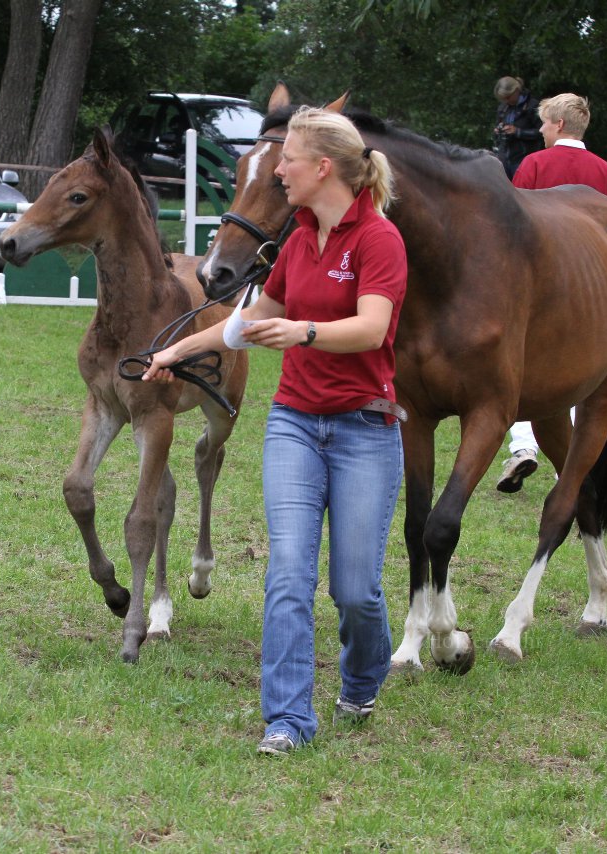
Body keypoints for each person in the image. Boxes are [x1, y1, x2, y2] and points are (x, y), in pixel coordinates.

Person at [142, 107, 407, 757]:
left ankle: (362, 679)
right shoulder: (295, 243)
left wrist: (305, 332)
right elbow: (250, 320)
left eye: (287, 158)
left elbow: (373, 328)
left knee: (354, 589)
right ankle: (287, 719)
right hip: (294, 425)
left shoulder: (378, 240)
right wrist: (177, 350)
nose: (278, 168)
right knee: (288, 573)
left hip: (366, 431)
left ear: (323, 169)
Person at [499, 92, 607, 492]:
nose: (538, 130)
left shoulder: (534, 164)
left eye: (542, 124)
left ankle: (523, 447)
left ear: (557, 125)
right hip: (591, 289)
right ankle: (567, 466)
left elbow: (513, 225)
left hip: (537, 285)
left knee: (524, 368)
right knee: (576, 372)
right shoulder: (605, 172)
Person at [493, 76, 542, 179]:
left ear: (516, 90)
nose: (506, 100)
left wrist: (518, 132)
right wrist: (498, 131)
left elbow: (542, 132)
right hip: (504, 159)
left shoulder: (532, 106)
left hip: (524, 159)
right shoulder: (503, 108)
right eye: (503, 99)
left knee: (522, 192)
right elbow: (497, 128)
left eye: (508, 97)